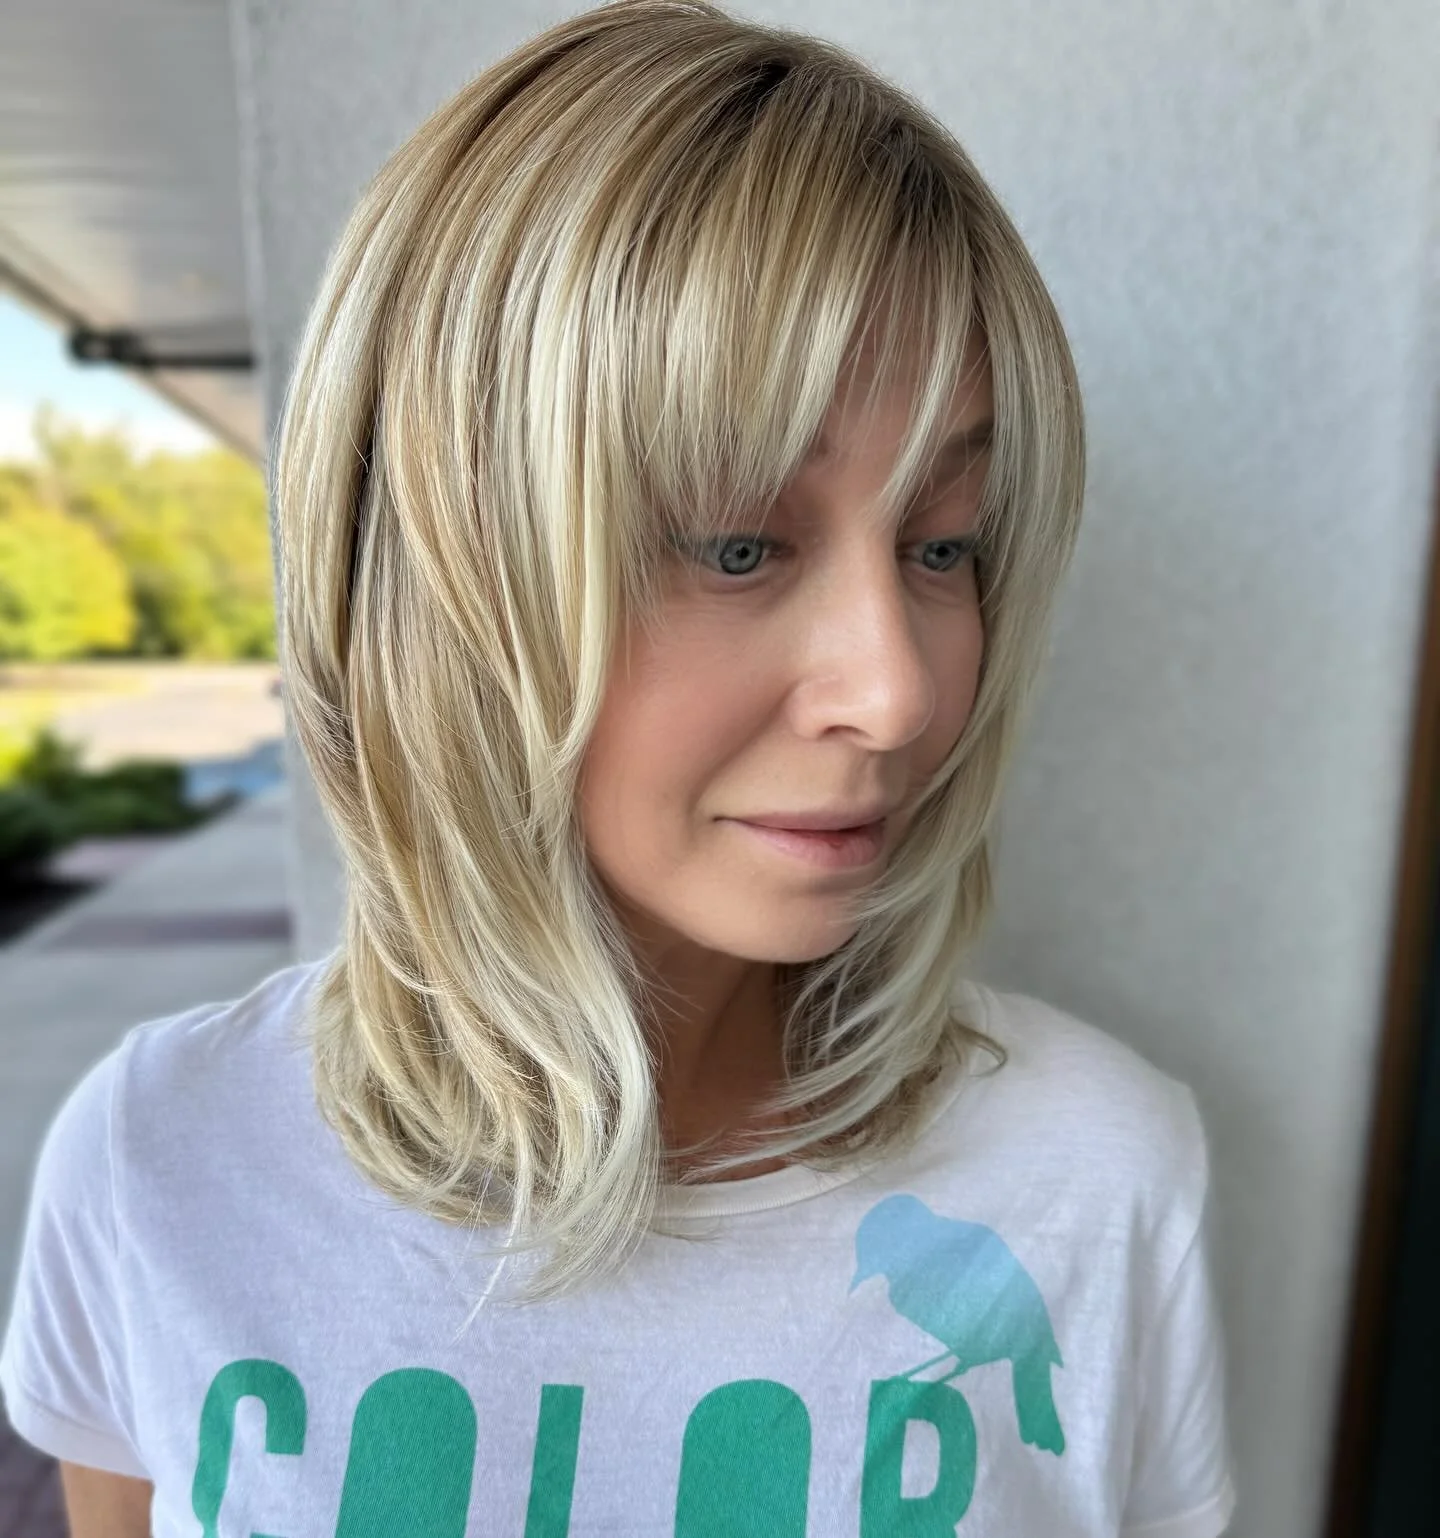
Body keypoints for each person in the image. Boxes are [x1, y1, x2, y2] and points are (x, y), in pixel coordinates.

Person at [0, 3, 1236, 1534]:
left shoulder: (1095, 1175)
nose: (899, 690)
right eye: (738, 543)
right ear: (444, 572)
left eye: (943, 545)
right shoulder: (166, 1158)